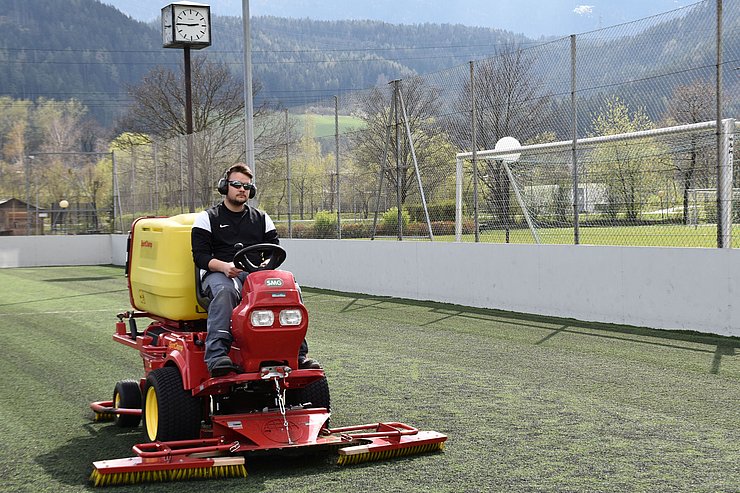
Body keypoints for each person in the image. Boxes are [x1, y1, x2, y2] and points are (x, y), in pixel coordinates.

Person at [191, 163, 320, 377]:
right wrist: (225, 267)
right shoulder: (207, 218)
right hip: (219, 273)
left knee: (291, 288)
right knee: (226, 292)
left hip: (255, 274)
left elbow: (274, 248)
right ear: (225, 186)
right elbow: (200, 257)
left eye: (247, 186)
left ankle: (298, 353)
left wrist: (264, 266)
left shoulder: (261, 218)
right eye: (236, 184)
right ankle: (216, 356)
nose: (242, 189)